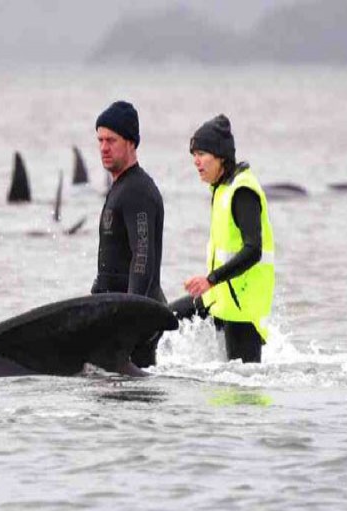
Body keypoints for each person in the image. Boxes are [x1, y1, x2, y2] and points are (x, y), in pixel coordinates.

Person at [175, 114, 275, 363]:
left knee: (240, 389)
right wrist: (210, 283)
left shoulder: (242, 191)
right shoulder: (221, 189)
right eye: (193, 155)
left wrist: (211, 279)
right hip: (219, 297)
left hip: (242, 309)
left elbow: (254, 250)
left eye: (201, 154)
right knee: (165, 319)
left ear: (220, 156)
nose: (196, 162)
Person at [91, 100, 166, 367]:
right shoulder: (121, 187)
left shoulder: (138, 191)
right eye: (99, 140)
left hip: (135, 320)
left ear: (131, 142)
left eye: (111, 140)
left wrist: (130, 317)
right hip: (118, 314)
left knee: (132, 402)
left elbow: (142, 256)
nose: (103, 148)